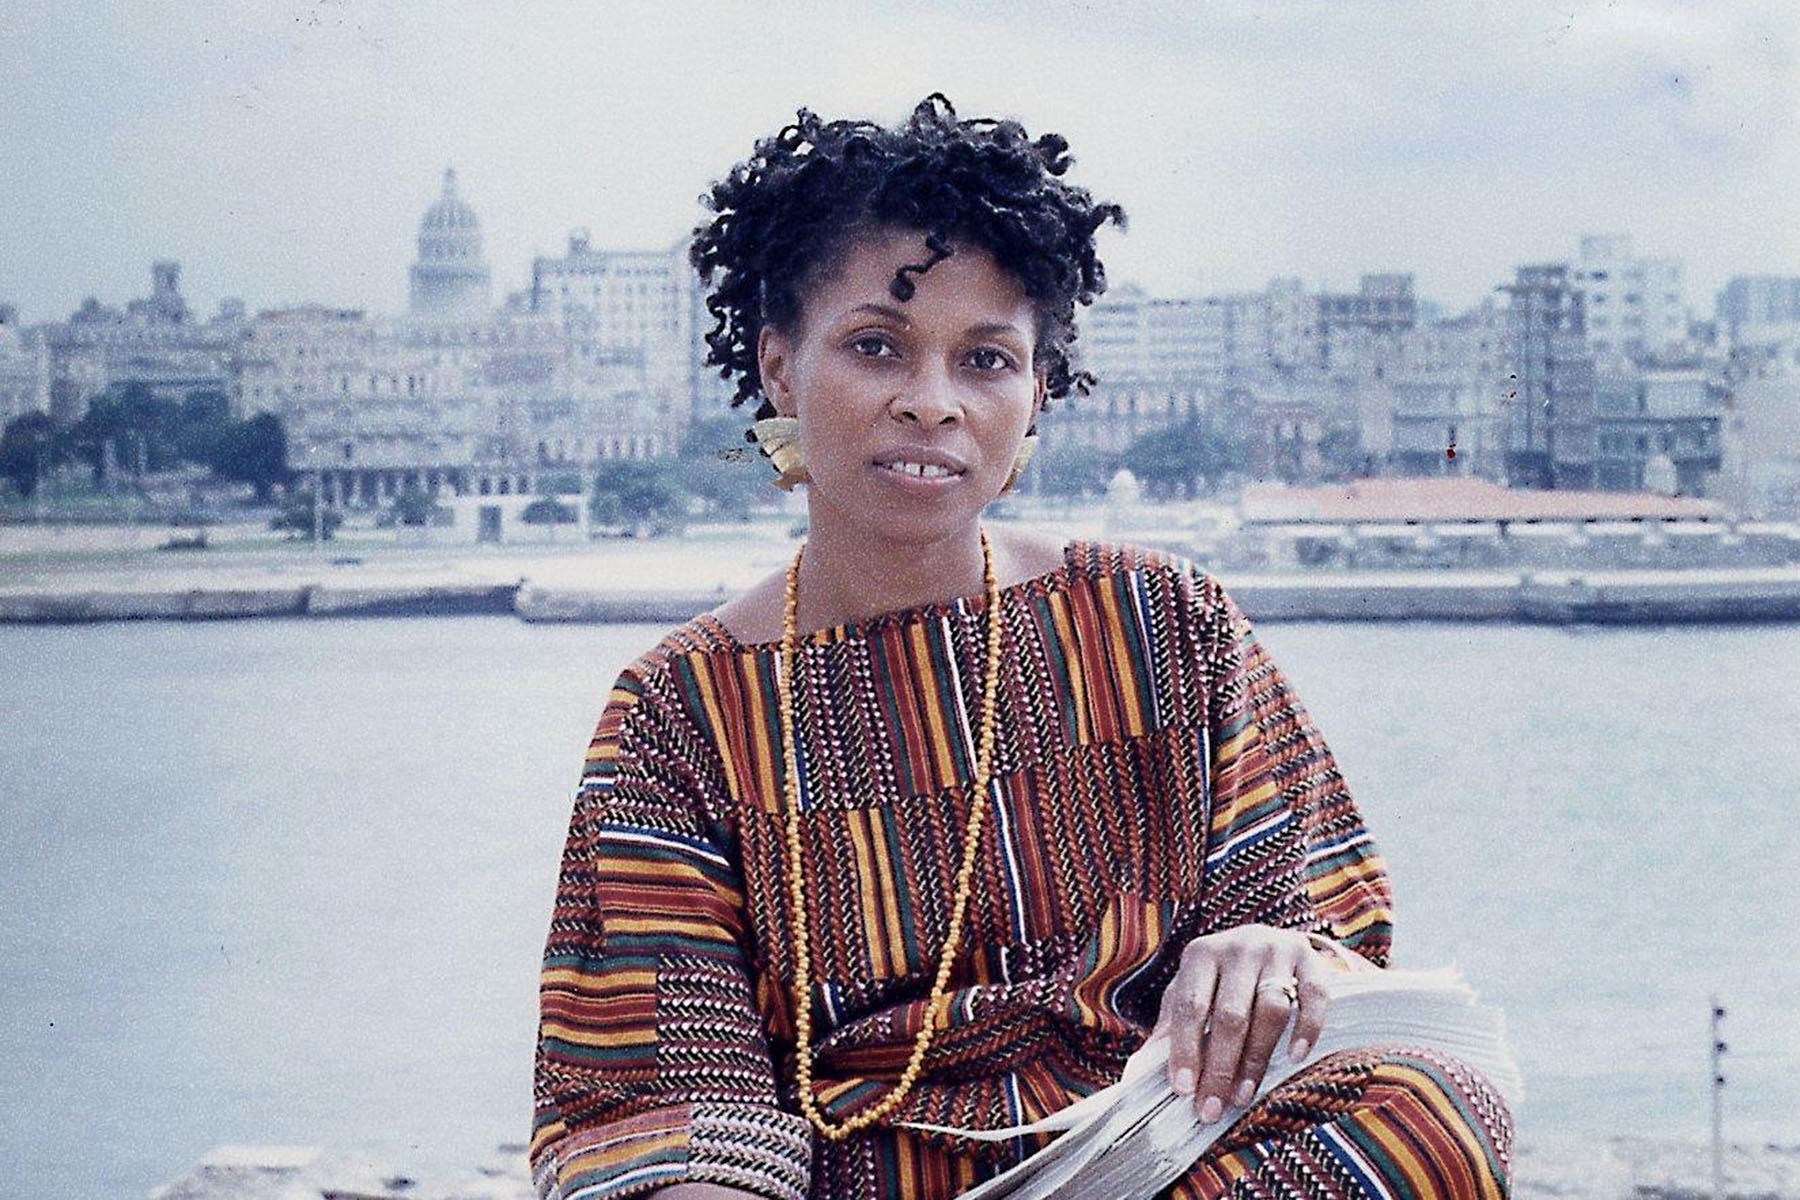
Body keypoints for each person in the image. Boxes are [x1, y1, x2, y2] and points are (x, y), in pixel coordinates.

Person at [530, 96, 1512, 1200]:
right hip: (861, 1176)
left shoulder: (1161, 621)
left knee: (1434, 1109)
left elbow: (1313, 926)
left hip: (1165, 1145)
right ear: (777, 367)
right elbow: (675, 1097)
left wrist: (1271, 948)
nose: (932, 404)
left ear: (1037, 393)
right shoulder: (682, 712)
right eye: (874, 347)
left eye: (986, 360)